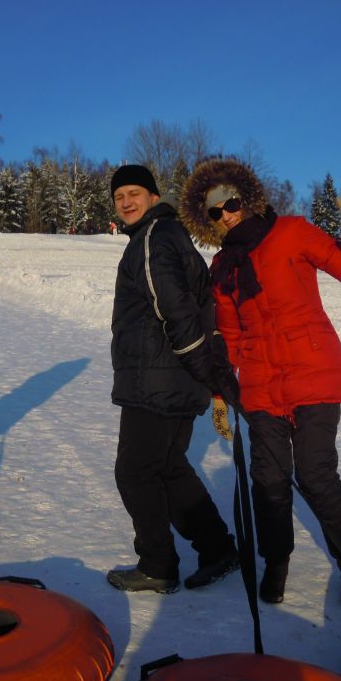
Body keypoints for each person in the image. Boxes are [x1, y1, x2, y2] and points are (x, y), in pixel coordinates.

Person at [180, 158, 341, 608]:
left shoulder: (291, 232)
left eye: (230, 203)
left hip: (313, 372)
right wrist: (219, 395)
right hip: (259, 386)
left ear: (246, 199)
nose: (226, 215)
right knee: (268, 480)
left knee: (316, 475)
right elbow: (229, 335)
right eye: (215, 212)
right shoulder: (223, 268)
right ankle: (276, 561)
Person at [106, 164, 240, 594]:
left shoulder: (153, 237)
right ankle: (217, 548)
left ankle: (157, 565)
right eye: (119, 196)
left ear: (152, 196)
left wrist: (199, 366)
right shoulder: (167, 235)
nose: (126, 202)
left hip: (158, 379)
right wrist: (201, 374)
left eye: (134, 193)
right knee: (167, 466)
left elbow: (175, 309)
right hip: (173, 377)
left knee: (135, 471)